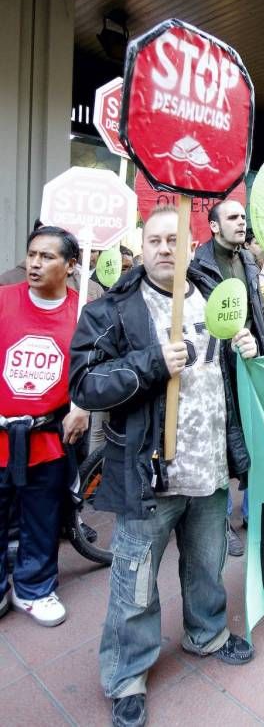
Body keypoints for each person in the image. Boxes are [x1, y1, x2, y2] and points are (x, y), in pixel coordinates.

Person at [69, 206, 257, 727]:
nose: (164, 248)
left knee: (207, 565)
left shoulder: (216, 290)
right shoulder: (112, 309)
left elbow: (239, 356)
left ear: (191, 240)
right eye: (154, 240)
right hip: (151, 474)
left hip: (210, 466)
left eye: (174, 239)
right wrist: (150, 364)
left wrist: (245, 346)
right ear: (142, 246)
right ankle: (127, 676)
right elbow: (84, 384)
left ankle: (207, 633)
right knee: (134, 583)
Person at [0, 226, 89, 627]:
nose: (35, 264)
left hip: (48, 437)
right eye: (32, 254)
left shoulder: (84, 311)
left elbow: (96, 371)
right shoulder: (4, 300)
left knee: (42, 516)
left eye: (47, 257)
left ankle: (33, 587)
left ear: (71, 266)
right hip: (2, 434)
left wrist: (83, 405)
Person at [193, 200, 264, 555]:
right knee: (221, 445)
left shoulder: (248, 260)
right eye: (233, 217)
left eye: (243, 217)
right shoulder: (199, 267)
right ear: (213, 226)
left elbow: (257, 313)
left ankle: (254, 514)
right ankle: (220, 524)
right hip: (215, 369)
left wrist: (261, 348)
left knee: (255, 438)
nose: (242, 222)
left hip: (251, 363)